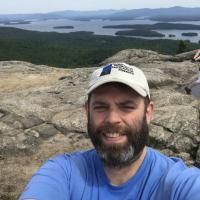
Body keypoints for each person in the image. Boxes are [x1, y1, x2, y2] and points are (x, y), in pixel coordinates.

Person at [19, 63, 200, 200]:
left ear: (148, 112)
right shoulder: (62, 172)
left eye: (127, 106)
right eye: (100, 107)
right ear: (87, 111)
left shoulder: (179, 183)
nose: (112, 118)